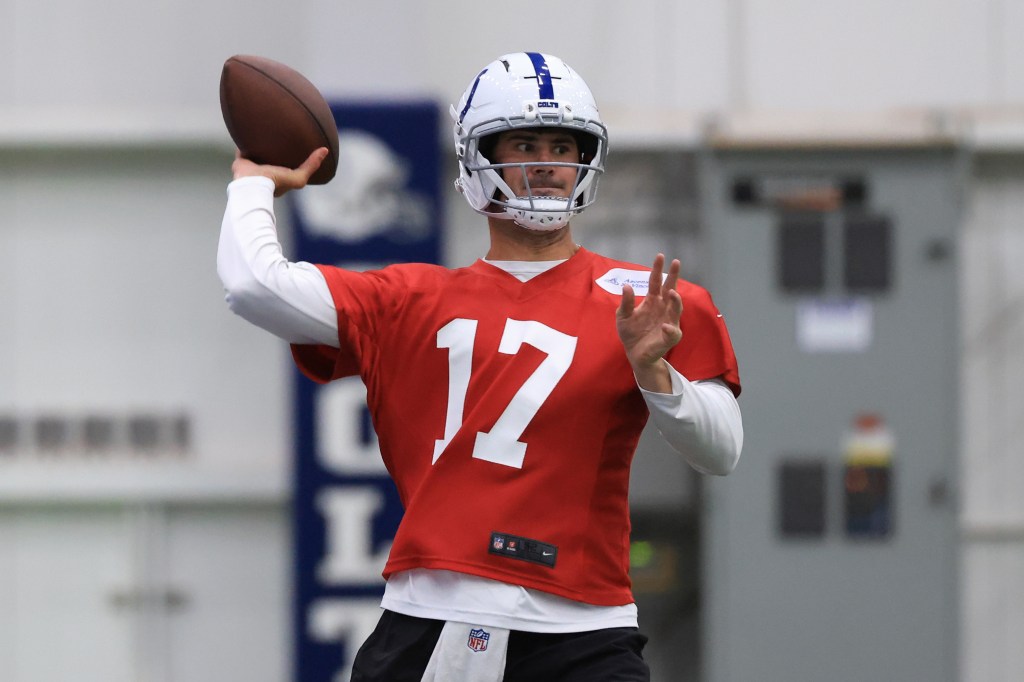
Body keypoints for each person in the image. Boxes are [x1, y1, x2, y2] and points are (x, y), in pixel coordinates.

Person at [218, 51, 742, 682]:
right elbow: (253, 285)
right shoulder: (408, 299)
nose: (547, 163)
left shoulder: (646, 300)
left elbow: (723, 451)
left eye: (563, 144)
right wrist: (252, 182)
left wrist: (657, 374)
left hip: (586, 625)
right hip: (431, 615)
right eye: (524, 142)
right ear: (476, 159)